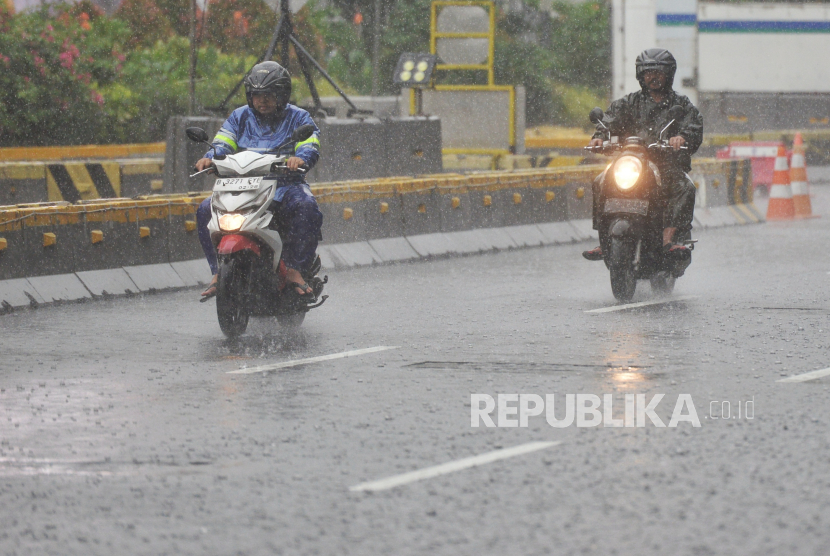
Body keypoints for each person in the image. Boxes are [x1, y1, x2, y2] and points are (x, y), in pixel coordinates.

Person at [194, 61, 323, 299]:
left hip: (285, 185)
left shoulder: (299, 117)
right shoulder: (239, 117)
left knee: (306, 208)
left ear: (282, 95)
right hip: (243, 185)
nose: (262, 100)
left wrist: (300, 158)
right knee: (205, 210)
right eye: (257, 95)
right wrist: (209, 158)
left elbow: (310, 144)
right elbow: (222, 143)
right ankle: (216, 273)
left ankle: (295, 270)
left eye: (269, 95)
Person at [582, 48, 703, 261]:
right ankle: (604, 240)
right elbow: (609, 120)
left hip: (665, 165)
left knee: (685, 188)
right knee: (600, 181)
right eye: (648, 73)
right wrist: (600, 136)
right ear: (641, 75)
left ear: (669, 75)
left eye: (658, 72)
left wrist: (681, 137)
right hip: (631, 162)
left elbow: (693, 124)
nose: (653, 77)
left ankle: (669, 238)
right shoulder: (629, 103)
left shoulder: (680, 104)